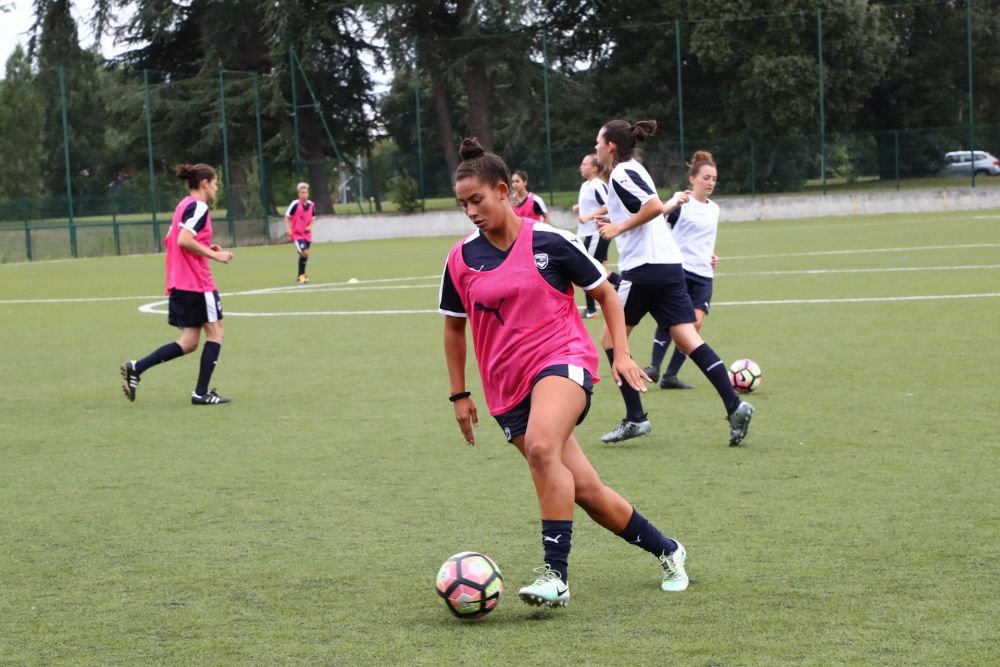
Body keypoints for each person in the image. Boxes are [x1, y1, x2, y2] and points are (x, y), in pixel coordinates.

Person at [439, 137, 689, 608]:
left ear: (503, 191)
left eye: (477, 200)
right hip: (505, 389)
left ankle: (556, 577)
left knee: (540, 446)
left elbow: (606, 293)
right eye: (463, 204)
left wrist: (620, 353)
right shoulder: (461, 259)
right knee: (586, 490)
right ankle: (668, 550)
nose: (470, 211)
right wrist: (459, 394)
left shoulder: (550, 241)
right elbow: (454, 329)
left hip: (563, 360)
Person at [593, 120, 753, 446]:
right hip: (668, 266)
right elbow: (649, 208)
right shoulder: (634, 169)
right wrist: (616, 219)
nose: (595, 147)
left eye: (598, 142)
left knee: (611, 340)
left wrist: (617, 229)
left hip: (644, 268)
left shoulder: (622, 173)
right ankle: (735, 406)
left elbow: (653, 207)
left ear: (611, 146)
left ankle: (636, 418)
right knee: (688, 338)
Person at [120, 163, 233, 405]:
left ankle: (136, 368)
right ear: (204, 183)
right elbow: (183, 240)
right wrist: (215, 255)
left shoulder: (182, 205)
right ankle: (201, 393)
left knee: (189, 342)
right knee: (216, 333)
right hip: (198, 283)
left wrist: (204, 248)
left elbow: (171, 239)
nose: (217, 188)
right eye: (215, 183)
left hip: (180, 283)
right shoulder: (199, 206)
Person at [643, 150, 721, 390]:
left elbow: (705, 238)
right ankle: (654, 366)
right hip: (680, 270)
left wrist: (711, 254)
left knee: (694, 326)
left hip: (704, 275)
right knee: (672, 321)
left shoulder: (714, 209)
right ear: (693, 179)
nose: (710, 183)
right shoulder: (681, 200)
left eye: (714, 179)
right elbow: (658, 218)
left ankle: (671, 375)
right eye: (706, 178)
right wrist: (673, 204)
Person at [572, 154, 618, 319]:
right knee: (601, 270)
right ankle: (626, 287)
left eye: (585, 164)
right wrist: (580, 207)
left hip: (596, 232)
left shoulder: (598, 184)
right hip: (589, 233)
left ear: (594, 168)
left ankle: (591, 310)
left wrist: (588, 216)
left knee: (588, 268)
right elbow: (594, 203)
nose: (581, 167)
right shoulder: (586, 185)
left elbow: (609, 205)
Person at [284, 182, 315, 284]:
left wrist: (310, 226)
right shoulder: (295, 204)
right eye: (302, 192)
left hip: (307, 235)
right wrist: (288, 229)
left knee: (304, 255)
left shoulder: (311, 205)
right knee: (305, 253)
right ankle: (301, 275)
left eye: (306, 192)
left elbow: (313, 217)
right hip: (297, 234)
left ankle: (301, 276)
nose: (304, 194)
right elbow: (287, 216)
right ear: (299, 194)